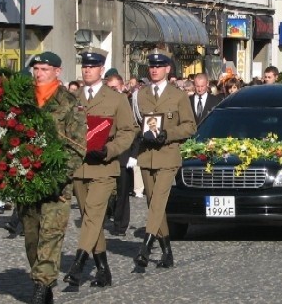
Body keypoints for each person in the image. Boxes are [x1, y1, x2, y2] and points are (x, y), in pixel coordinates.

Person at [17, 52, 87, 304]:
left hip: (56, 183)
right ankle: (43, 287)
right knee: (32, 237)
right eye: (36, 68)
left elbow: (77, 145)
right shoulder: (22, 100)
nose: (38, 73)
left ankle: (38, 293)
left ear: (57, 72)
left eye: (44, 69)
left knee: (51, 236)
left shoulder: (69, 103)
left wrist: (62, 174)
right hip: (27, 180)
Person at [65, 49, 138, 289]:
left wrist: (110, 150)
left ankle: (78, 264)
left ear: (101, 69)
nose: (87, 69)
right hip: (80, 167)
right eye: (84, 66)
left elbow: (128, 131)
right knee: (90, 219)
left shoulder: (116, 99)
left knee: (94, 215)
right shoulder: (73, 99)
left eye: (92, 66)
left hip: (104, 167)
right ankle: (104, 270)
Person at [133, 49, 197, 269]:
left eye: (159, 66)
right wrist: (140, 132)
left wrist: (168, 134)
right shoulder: (141, 94)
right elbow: (135, 122)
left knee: (159, 201)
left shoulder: (177, 95)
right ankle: (167, 251)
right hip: (146, 154)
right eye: (151, 66)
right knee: (154, 205)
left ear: (168, 69)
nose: (154, 70)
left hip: (168, 154)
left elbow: (190, 126)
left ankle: (146, 246)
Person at [105, 73, 138, 236]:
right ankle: (107, 215)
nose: (112, 91)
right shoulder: (104, 102)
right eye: (109, 88)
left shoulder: (130, 103)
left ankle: (120, 225)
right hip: (107, 151)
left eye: (114, 88)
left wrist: (134, 155)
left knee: (123, 191)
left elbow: (136, 130)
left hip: (125, 153)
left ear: (122, 87)